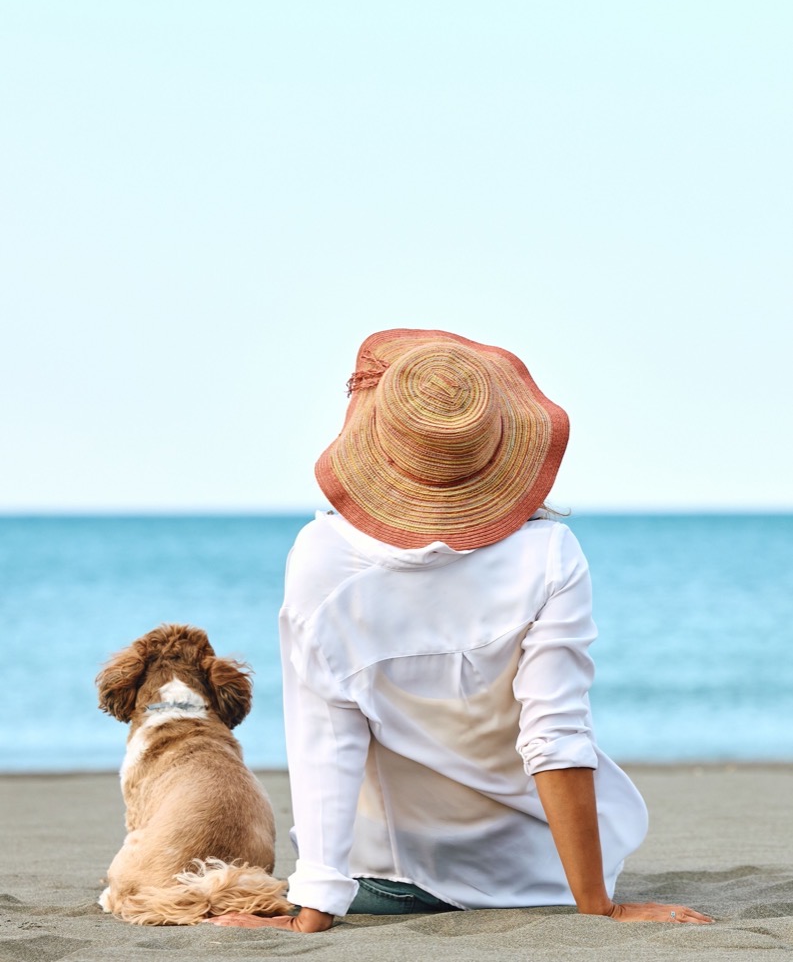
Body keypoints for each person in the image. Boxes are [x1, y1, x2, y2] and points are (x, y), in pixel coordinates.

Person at [208, 328, 712, 932]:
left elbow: (326, 742)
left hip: (400, 880)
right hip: (548, 874)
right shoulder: (550, 553)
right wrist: (597, 906)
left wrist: (311, 911)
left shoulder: (321, 559)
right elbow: (554, 733)